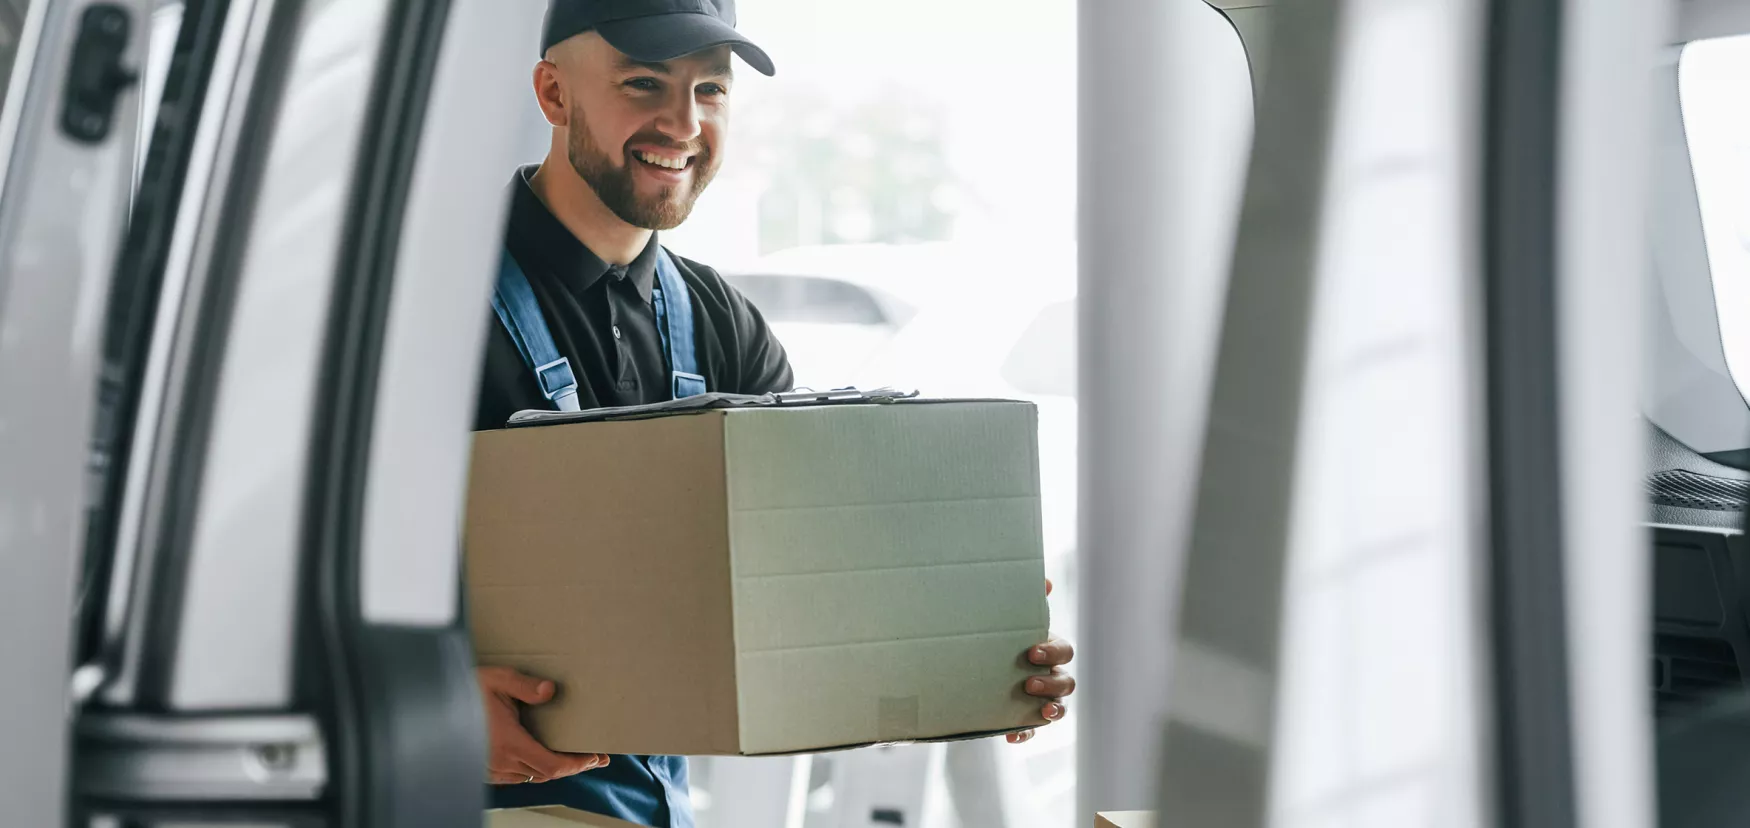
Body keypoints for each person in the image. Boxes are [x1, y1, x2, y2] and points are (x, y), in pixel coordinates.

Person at [473, 2, 1078, 825]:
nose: (683, 123)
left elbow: (810, 564)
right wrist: (429, 705)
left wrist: (974, 631)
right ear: (553, 93)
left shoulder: (722, 323)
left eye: (711, 92)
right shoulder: (426, 307)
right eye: (644, 83)